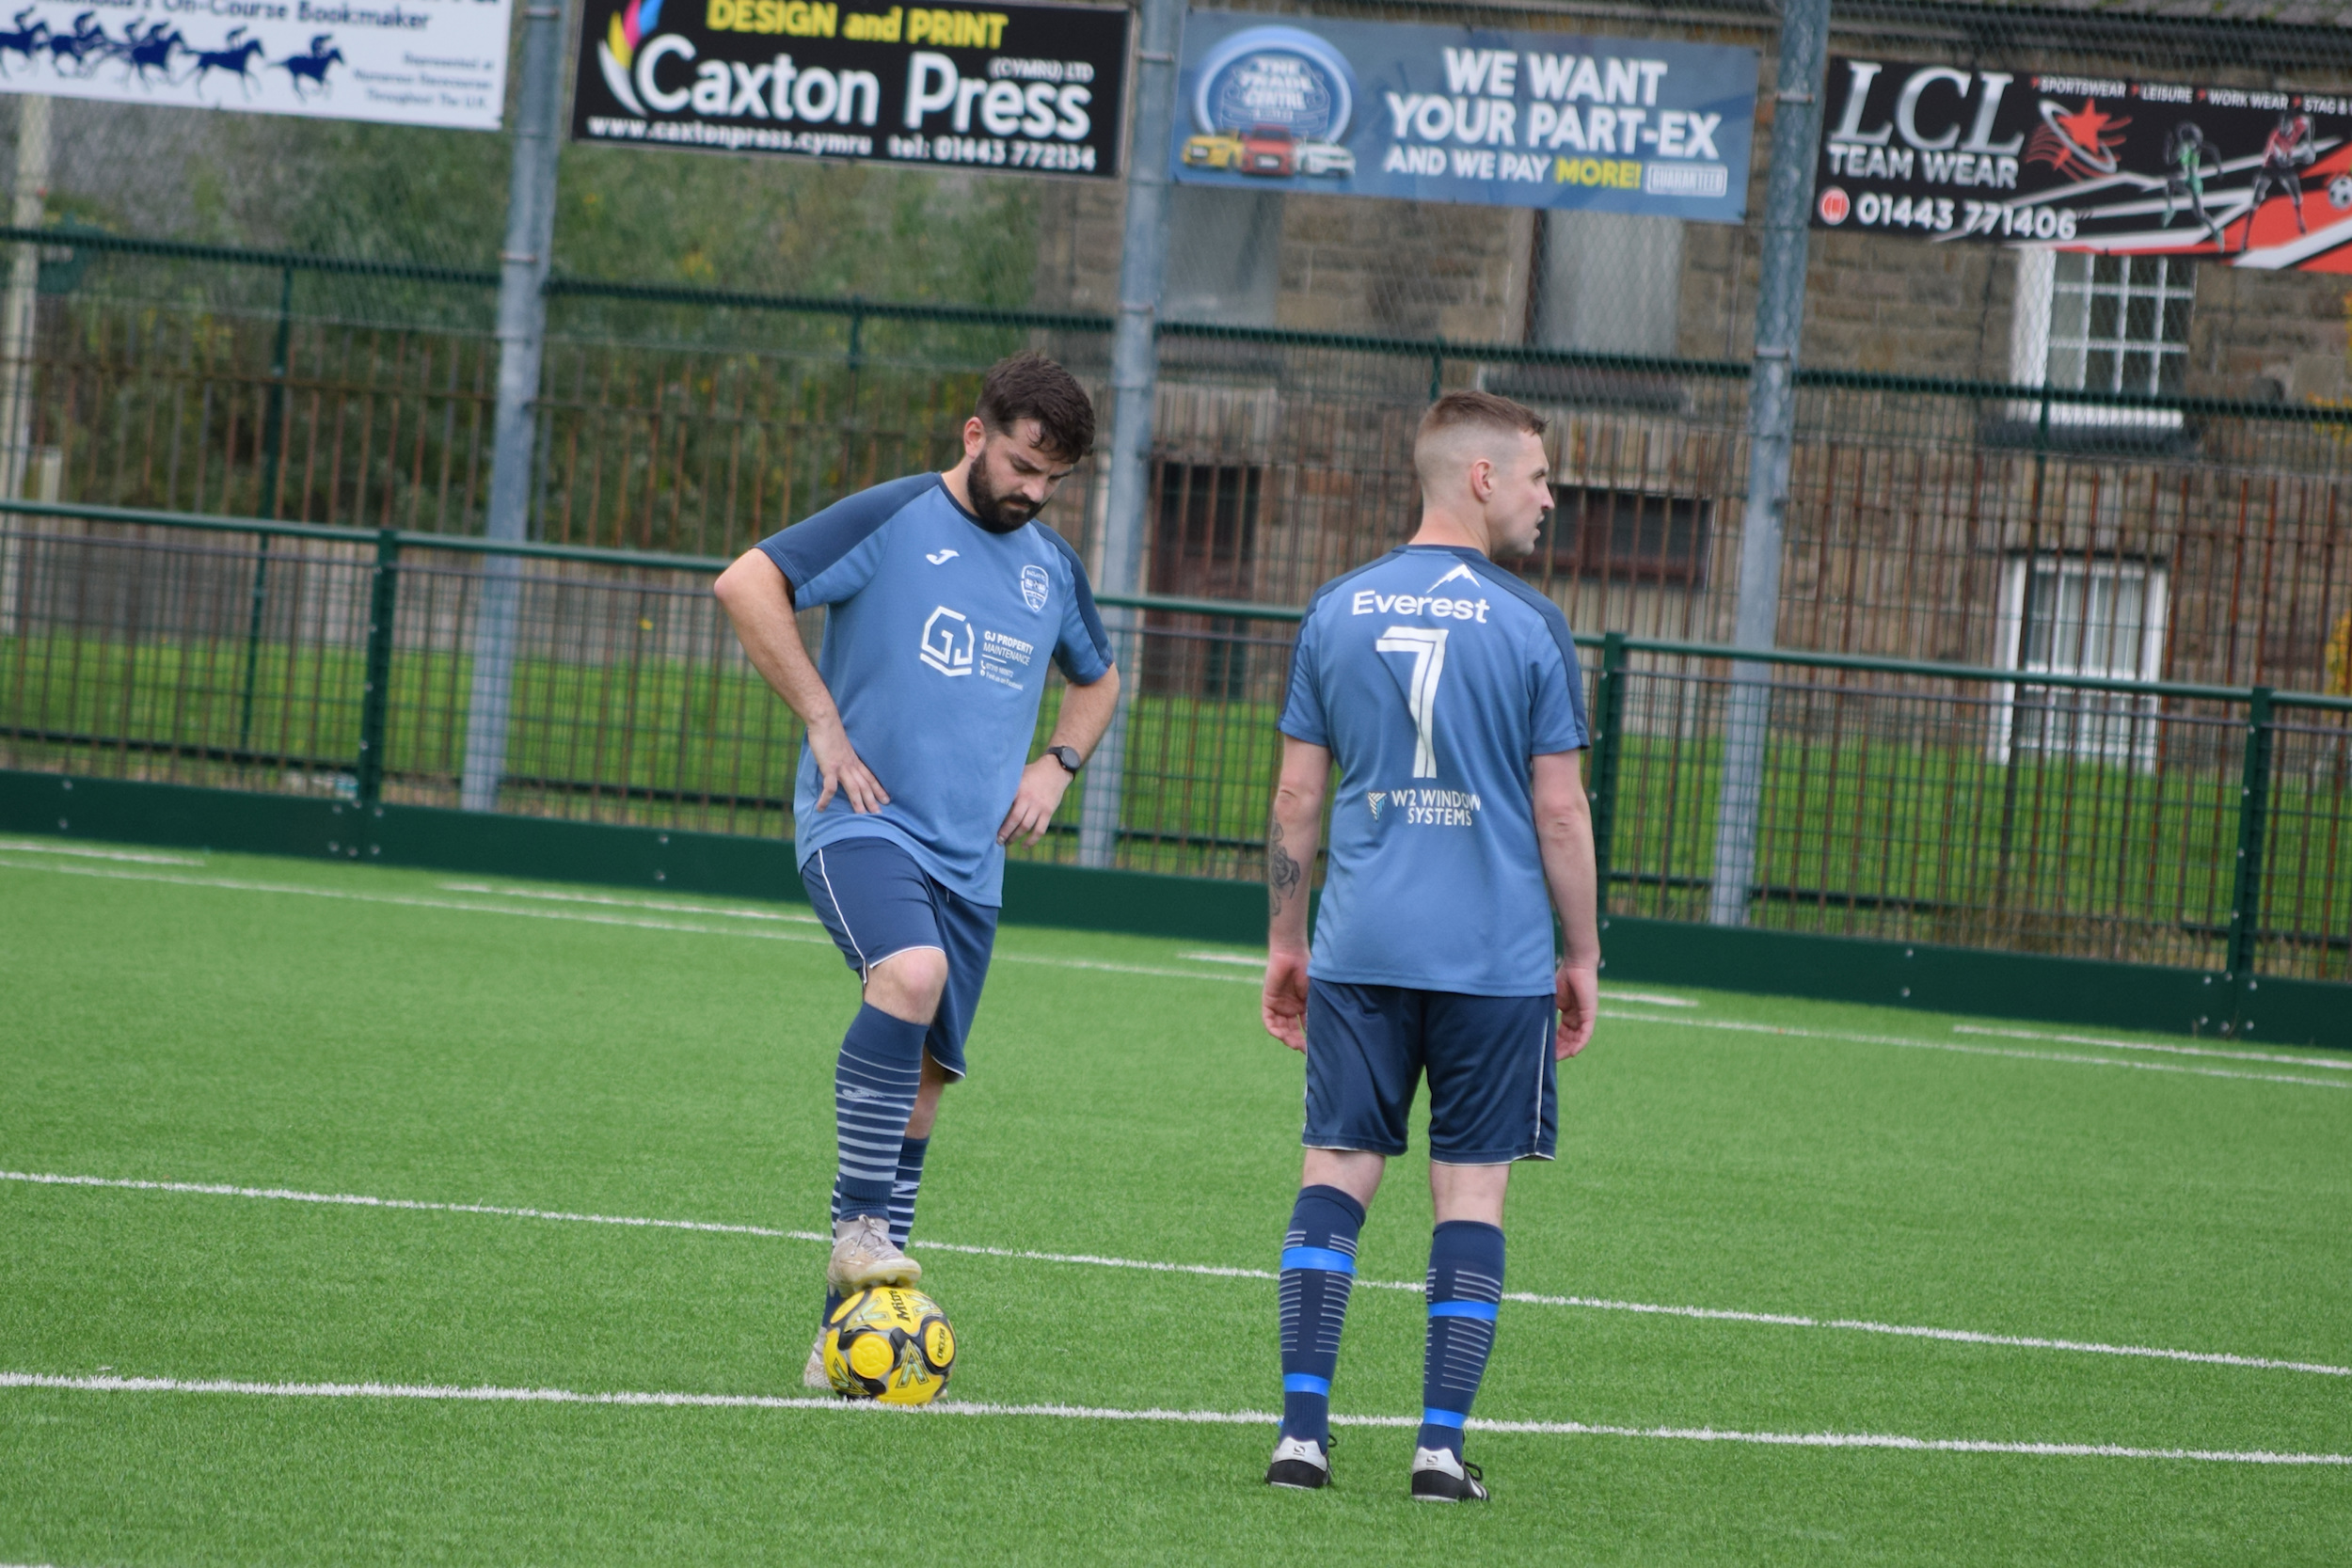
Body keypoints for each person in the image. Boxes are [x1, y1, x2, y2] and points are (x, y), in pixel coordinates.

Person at [712, 352, 1123, 1386]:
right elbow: (747, 582)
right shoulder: (894, 516)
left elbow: (1100, 677)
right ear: (975, 434)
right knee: (909, 972)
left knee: (924, 1092)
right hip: (863, 822)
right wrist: (823, 722)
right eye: (1022, 464)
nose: (1034, 492)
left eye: (1054, 479)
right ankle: (858, 1230)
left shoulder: (1050, 567)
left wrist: (1057, 763)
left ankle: (841, 1335)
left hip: (971, 865)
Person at [1258, 389, 1600, 1501]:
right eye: (1539, 477)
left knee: (1334, 1176)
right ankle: (1438, 1451)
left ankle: (1300, 1438)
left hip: (1360, 945)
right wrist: (1582, 954)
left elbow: (1296, 797)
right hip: (1493, 961)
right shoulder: (1532, 624)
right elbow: (1560, 813)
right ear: (1482, 477)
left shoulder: (1335, 608)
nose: (1550, 498)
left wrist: (1286, 937)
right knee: (1470, 1196)